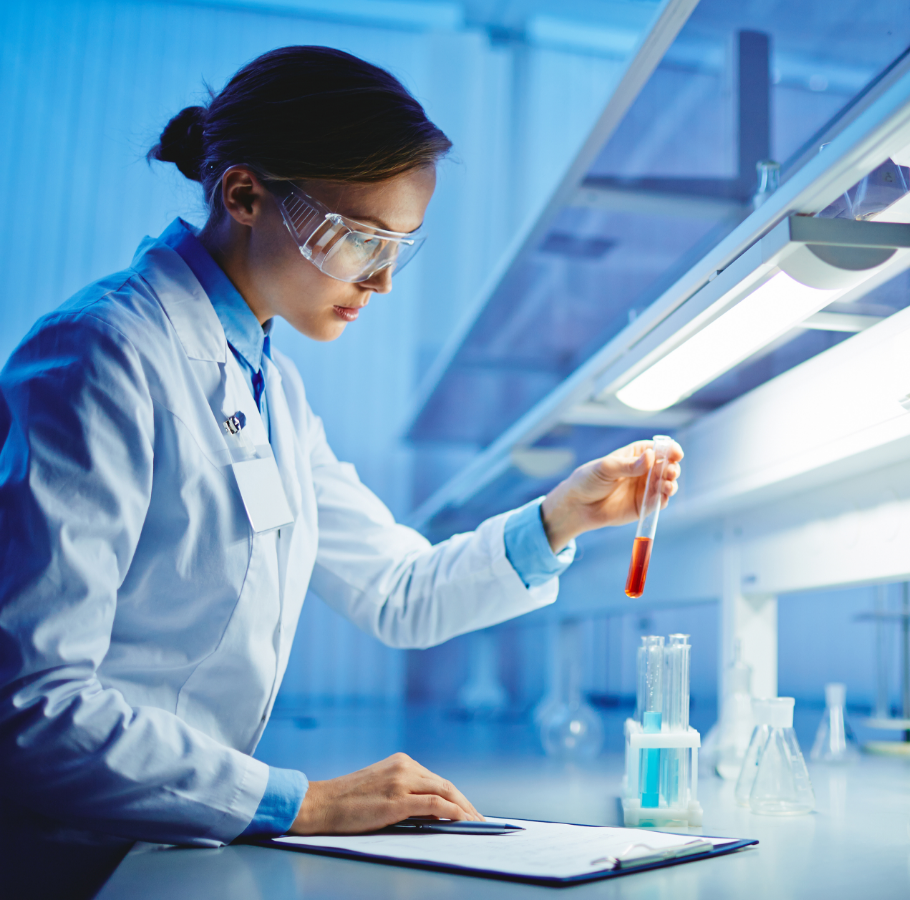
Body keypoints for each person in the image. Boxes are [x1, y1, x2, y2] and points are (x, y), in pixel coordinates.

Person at [0, 45, 682, 893]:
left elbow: (395, 592)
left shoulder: (269, 386)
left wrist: (560, 520)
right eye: (361, 239)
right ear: (245, 194)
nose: (385, 279)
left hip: (163, 839)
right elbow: (29, 708)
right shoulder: (103, 353)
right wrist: (304, 802)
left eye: (402, 245)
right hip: (62, 854)